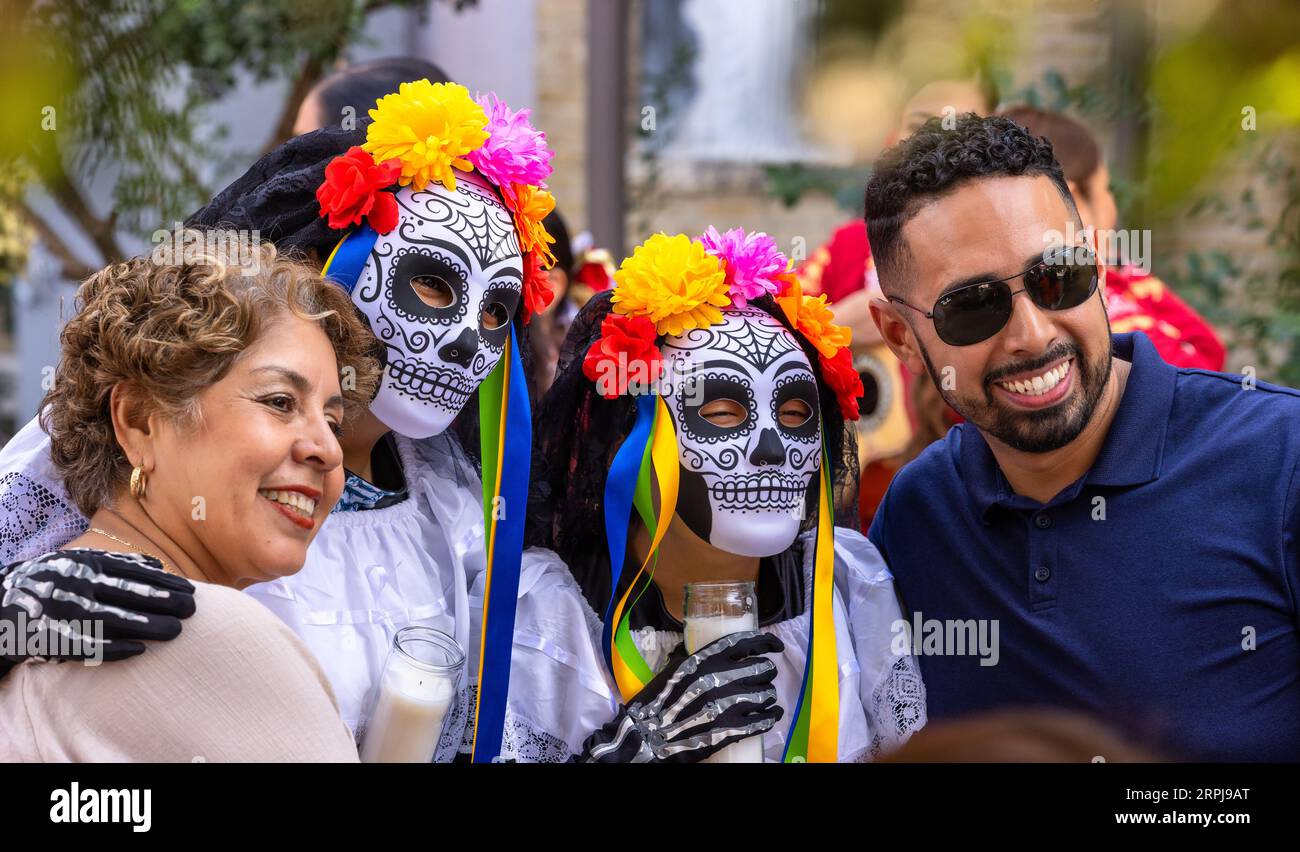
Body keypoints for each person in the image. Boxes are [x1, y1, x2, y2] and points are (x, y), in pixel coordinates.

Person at [0, 79, 555, 762]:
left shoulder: (458, 514)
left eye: (498, 311)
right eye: (278, 402)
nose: (471, 340)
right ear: (139, 421)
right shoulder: (129, 497)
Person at [865, 113, 1300, 761]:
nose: (1034, 335)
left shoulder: (1281, 458)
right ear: (900, 336)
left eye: (1057, 276)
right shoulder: (918, 515)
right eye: (974, 306)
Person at [472, 230, 926, 762]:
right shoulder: (550, 614)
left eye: (796, 415)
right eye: (722, 413)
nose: (772, 449)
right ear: (630, 439)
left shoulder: (844, 587)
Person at [0, 242, 379, 761]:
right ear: (139, 420)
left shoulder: (40, 616)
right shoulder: (207, 629)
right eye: (279, 402)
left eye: (332, 422)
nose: (329, 450)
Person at [998, 105, 1225, 371]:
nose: (1112, 206)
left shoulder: (1114, 276)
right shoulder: (1096, 300)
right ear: (1074, 199)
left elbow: (1209, 348)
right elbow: (1201, 365)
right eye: (1106, 189)